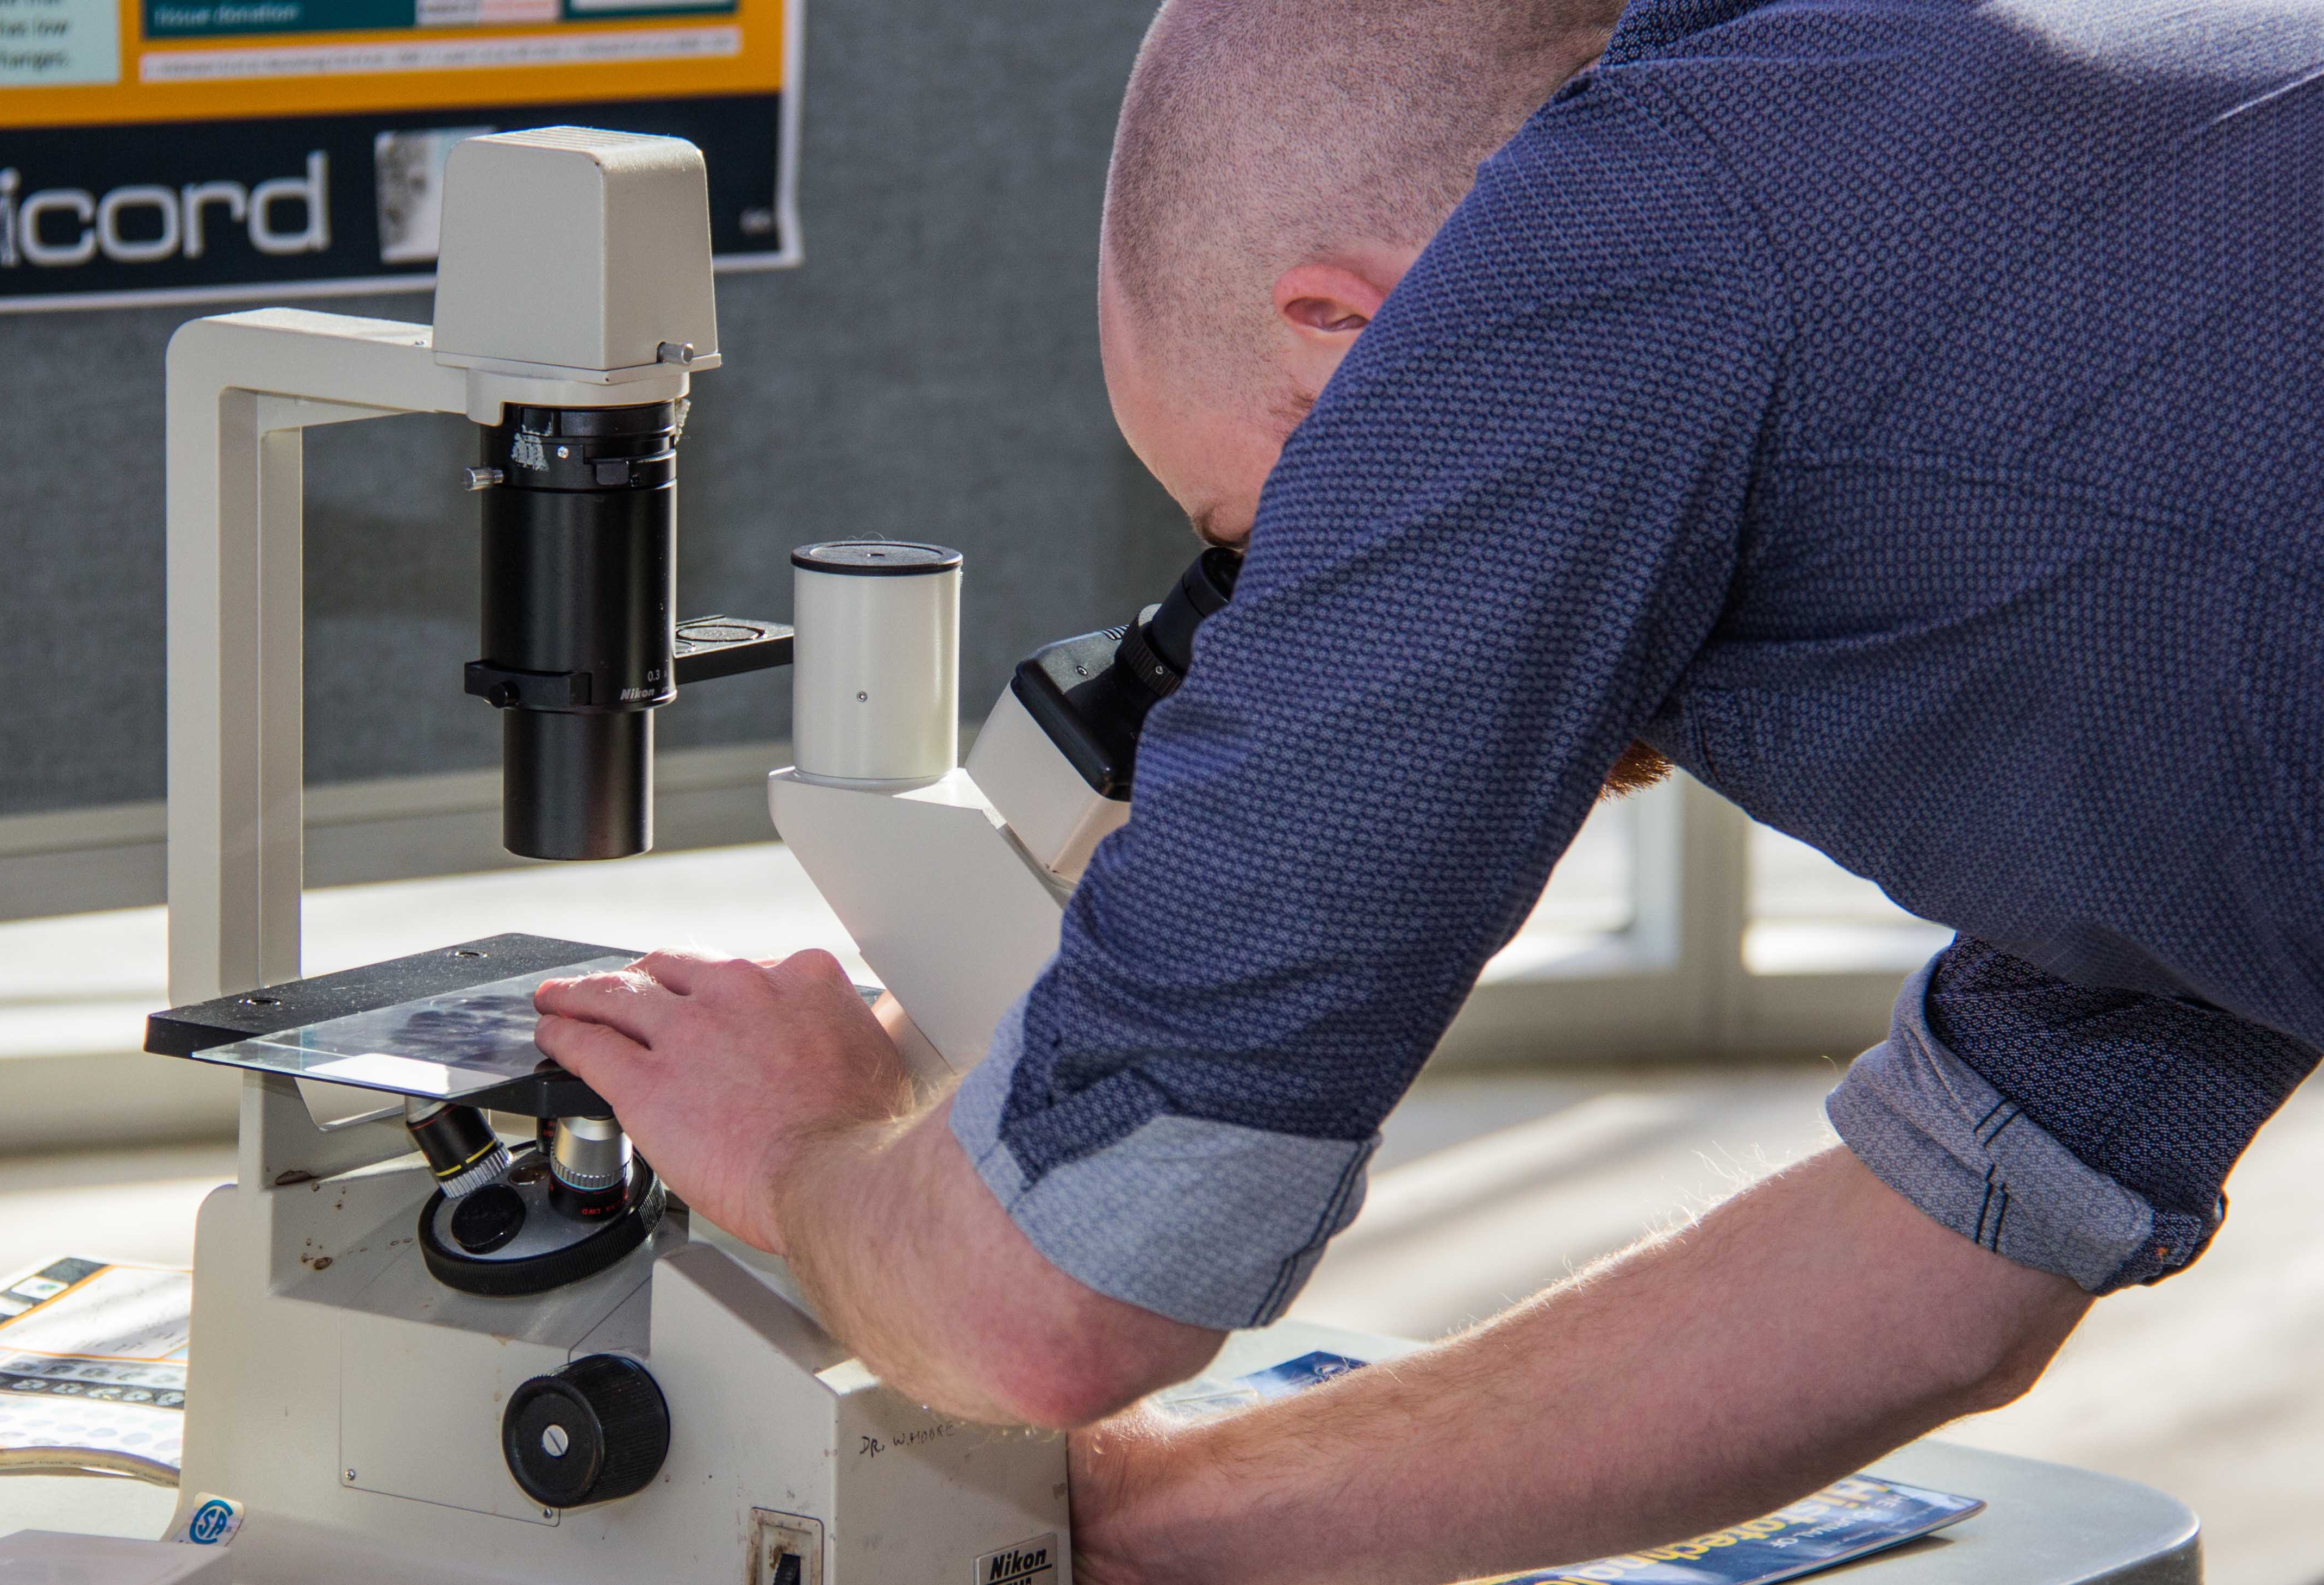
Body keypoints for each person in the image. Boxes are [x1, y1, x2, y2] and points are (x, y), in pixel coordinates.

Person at [532, 0, 2324, 1575]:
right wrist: (1143, 1530)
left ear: (1355, 333)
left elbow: (1055, 1306)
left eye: (1270, 540)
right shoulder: (2017, 190)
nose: (1297, 615)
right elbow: (1967, 1237)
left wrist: (801, 1150)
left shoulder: (1590, 245)